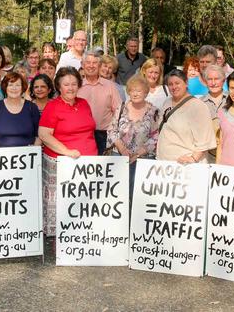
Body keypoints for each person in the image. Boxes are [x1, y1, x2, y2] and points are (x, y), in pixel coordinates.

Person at [39, 67, 97, 236]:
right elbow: (44, 135)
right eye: (66, 84)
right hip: (61, 163)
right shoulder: (53, 106)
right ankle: (60, 238)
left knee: (83, 202)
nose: (70, 88)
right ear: (59, 87)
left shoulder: (84, 103)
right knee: (61, 203)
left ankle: (80, 235)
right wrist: (67, 151)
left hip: (87, 164)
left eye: (74, 84)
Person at [106, 75, 159, 205]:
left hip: (143, 159)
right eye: (132, 90)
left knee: (139, 197)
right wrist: (122, 149)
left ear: (146, 93)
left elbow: (156, 135)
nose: (135, 93)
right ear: (128, 92)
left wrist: (140, 152)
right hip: (119, 157)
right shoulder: (122, 107)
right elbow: (112, 130)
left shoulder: (154, 111)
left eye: (139, 90)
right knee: (119, 195)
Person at [156, 69, 216, 163]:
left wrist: (193, 158)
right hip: (164, 164)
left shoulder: (198, 106)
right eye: (170, 84)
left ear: (186, 83)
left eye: (177, 83)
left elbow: (204, 140)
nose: (174, 87)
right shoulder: (166, 102)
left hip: (186, 166)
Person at [77, 51, 122, 155]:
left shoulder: (110, 86)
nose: (91, 66)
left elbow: (119, 111)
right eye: (88, 62)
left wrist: (114, 133)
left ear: (100, 65)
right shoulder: (76, 86)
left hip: (105, 135)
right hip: (82, 135)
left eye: (95, 63)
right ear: (83, 65)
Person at [0, 72, 41, 148]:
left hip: (28, 156)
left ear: (22, 87)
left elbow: (39, 136)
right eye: (10, 85)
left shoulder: (32, 107)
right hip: (2, 157)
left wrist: (34, 149)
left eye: (17, 85)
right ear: (5, 87)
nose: (14, 88)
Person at [200, 64, 228, 163]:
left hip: (230, 153)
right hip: (207, 155)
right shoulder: (199, 103)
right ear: (205, 82)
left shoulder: (232, 100)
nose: (213, 83)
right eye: (210, 79)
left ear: (223, 80)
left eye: (216, 79)